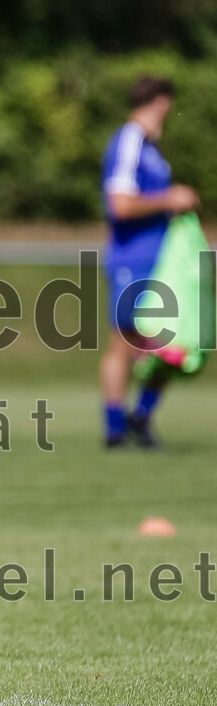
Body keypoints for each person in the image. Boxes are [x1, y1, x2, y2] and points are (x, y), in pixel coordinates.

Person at [99, 75, 199, 448]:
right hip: (132, 258)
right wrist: (169, 198)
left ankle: (139, 417)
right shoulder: (128, 140)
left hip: (162, 262)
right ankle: (115, 430)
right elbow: (120, 204)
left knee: (173, 344)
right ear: (159, 102)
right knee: (123, 343)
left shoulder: (151, 148)